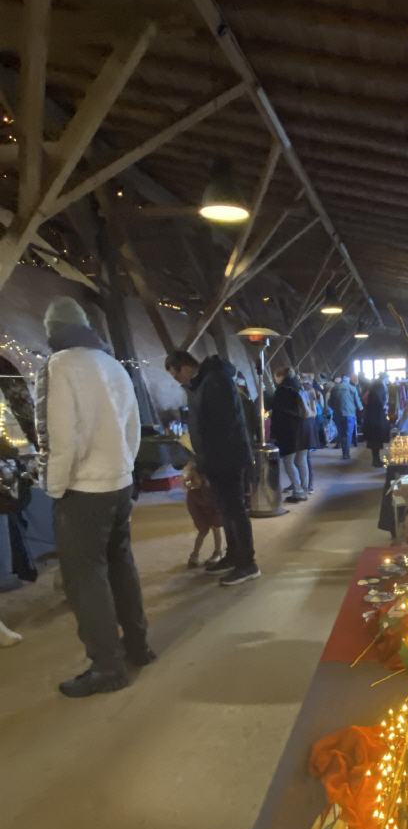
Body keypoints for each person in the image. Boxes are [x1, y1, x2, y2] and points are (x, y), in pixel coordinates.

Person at [36, 297, 153, 698]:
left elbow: (60, 437)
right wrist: (124, 468)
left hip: (83, 489)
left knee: (85, 580)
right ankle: (137, 646)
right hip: (119, 483)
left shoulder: (60, 366)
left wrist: (54, 487)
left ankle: (107, 667)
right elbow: (133, 427)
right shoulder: (112, 364)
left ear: (52, 330)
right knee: (121, 565)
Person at [165, 350, 259, 586]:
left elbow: (224, 426)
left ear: (185, 366)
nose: (177, 380)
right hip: (215, 460)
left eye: (176, 374)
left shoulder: (215, 381)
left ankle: (247, 563)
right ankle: (233, 555)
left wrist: (209, 460)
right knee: (225, 511)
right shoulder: (203, 383)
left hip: (227, 458)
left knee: (235, 510)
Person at [270, 367, 309, 502]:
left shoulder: (282, 391)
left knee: (288, 461)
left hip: (289, 431)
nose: (275, 379)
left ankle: (298, 491)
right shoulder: (300, 387)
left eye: (276, 376)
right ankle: (305, 489)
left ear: (281, 376)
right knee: (302, 460)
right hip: (304, 428)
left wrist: (274, 433)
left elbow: (277, 414)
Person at [183, 462, 224, 568]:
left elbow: (218, 504)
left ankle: (218, 552)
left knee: (216, 529)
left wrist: (217, 519)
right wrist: (201, 524)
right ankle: (195, 554)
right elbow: (194, 511)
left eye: (195, 478)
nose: (192, 481)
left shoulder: (211, 488)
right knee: (202, 532)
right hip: (202, 514)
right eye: (191, 479)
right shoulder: (192, 493)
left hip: (214, 511)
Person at [329, 374, 363, 460]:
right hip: (349, 414)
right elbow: (358, 404)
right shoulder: (352, 388)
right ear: (348, 380)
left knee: (341, 433)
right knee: (348, 434)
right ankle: (346, 454)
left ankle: (344, 452)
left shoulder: (334, 388)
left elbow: (330, 403)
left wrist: (335, 409)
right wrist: (360, 408)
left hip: (337, 415)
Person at [363, 376, 391, 468]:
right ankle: (376, 461)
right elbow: (381, 402)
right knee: (376, 442)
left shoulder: (372, 390)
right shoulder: (379, 389)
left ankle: (376, 460)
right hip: (376, 421)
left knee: (374, 442)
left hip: (371, 420)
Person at [300, 375, 320, 492]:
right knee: (304, 458)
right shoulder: (310, 392)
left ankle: (309, 484)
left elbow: (312, 412)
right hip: (309, 425)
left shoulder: (308, 393)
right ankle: (307, 483)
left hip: (307, 425)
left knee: (305, 458)